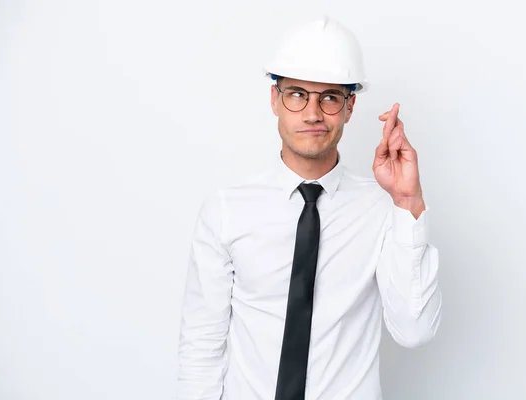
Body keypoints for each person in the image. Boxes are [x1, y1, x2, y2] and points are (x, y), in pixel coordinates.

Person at [177, 16, 442, 400]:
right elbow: (201, 347)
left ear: (350, 107)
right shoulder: (227, 209)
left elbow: (414, 331)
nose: (313, 113)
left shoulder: (383, 211)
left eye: (330, 97)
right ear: (275, 100)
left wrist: (407, 202)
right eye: (297, 94)